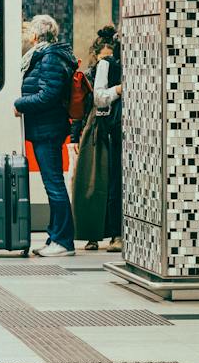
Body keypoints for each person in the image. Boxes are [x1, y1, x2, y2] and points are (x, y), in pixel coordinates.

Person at [13, 14, 79, 258]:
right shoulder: (49, 55)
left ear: (34, 36)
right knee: (52, 183)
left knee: (54, 184)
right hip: (46, 127)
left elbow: (48, 95)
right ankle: (55, 236)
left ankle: (63, 241)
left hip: (48, 128)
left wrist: (20, 103)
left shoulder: (50, 57)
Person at [80, 27, 122, 251]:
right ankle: (108, 232)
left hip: (110, 127)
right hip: (103, 128)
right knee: (105, 181)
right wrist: (118, 90)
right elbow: (97, 98)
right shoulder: (104, 68)